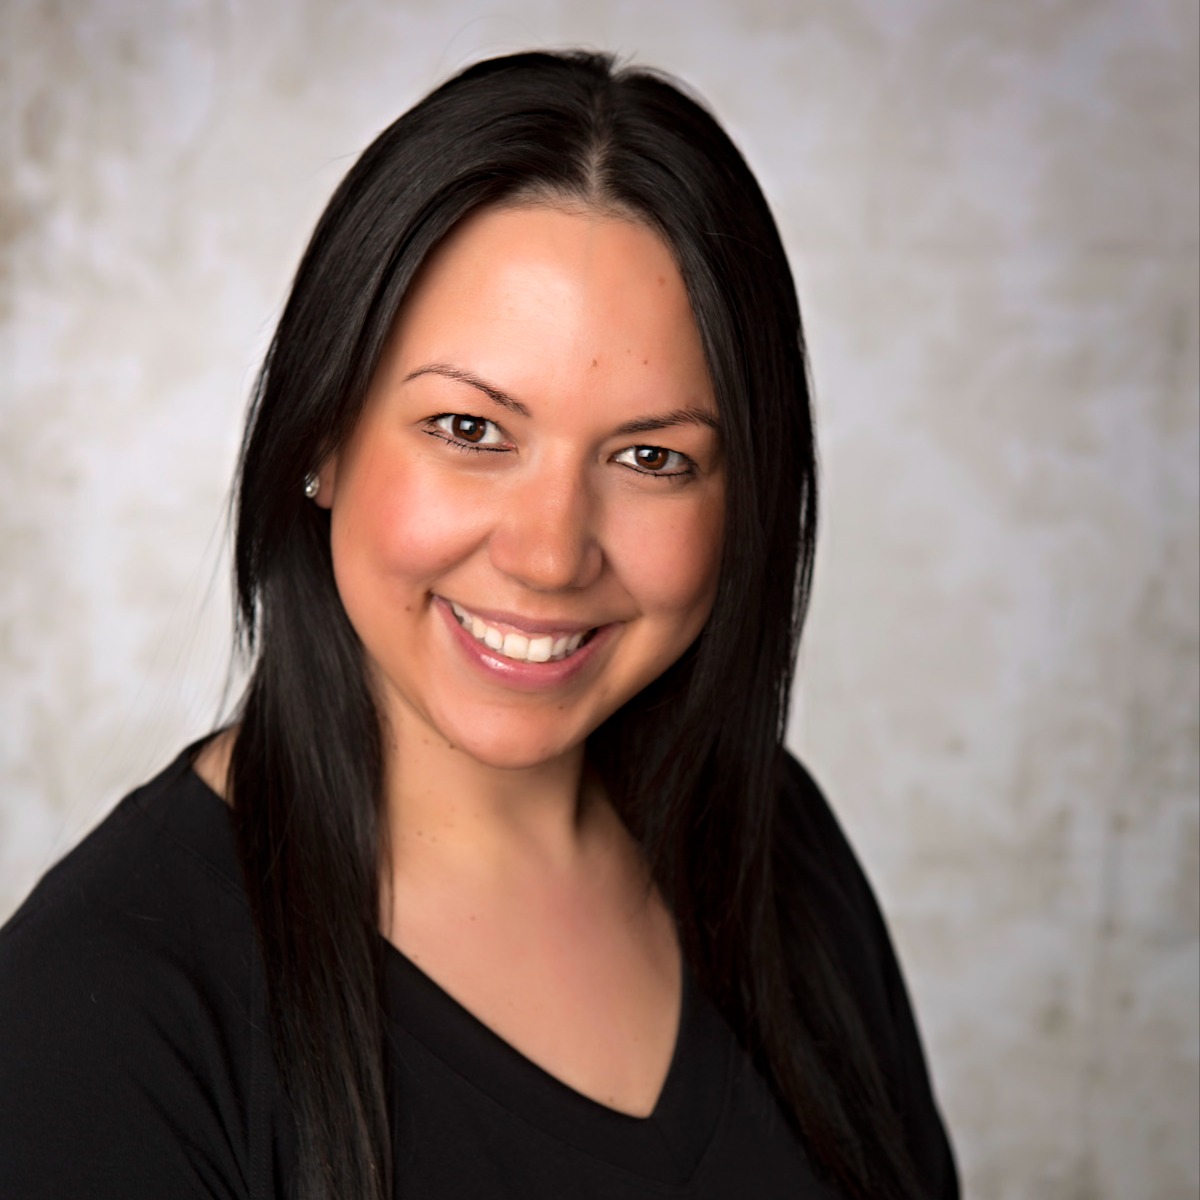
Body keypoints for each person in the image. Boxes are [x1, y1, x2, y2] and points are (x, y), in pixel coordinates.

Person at [0, 50, 957, 1200]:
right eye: (468, 429)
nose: (550, 553)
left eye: (653, 458)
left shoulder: (779, 848)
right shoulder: (101, 1010)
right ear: (322, 437)